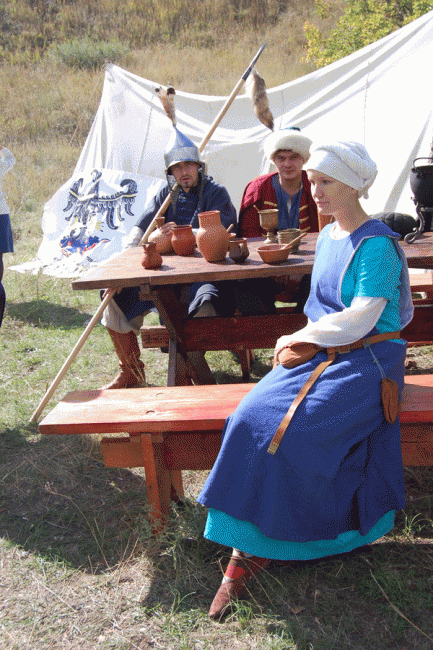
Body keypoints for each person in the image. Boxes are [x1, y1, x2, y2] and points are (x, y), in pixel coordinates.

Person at [197, 140, 414, 620]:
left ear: (354, 185)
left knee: (293, 432)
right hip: (323, 350)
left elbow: (362, 317)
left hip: (369, 359)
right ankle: (248, 539)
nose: (315, 191)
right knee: (248, 418)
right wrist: (307, 340)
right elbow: (325, 310)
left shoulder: (376, 244)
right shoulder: (330, 235)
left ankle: (303, 538)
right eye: (313, 181)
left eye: (326, 182)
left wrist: (299, 336)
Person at [101, 128, 237, 389]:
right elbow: (140, 230)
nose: (183, 172)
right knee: (114, 297)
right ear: (171, 172)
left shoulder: (216, 193)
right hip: (166, 276)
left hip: (204, 274)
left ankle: (191, 365)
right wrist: (124, 268)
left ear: (198, 166)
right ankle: (131, 371)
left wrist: (182, 235)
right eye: (177, 168)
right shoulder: (166, 194)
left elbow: (224, 231)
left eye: (188, 165)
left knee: (206, 301)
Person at [236, 127, 319, 315]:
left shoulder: (316, 186)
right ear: (273, 160)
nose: (287, 164)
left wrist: (301, 269)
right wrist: (271, 269)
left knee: (323, 281)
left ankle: (306, 327)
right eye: (281, 158)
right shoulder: (257, 189)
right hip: (264, 271)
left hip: (308, 271)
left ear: (304, 159)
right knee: (241, 287)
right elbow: (249, 237)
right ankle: (266, 327)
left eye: (294, 157)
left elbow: (326, 233)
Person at [0, 146, 15, 327]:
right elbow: (11, 159)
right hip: (1, 213)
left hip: (1, 212)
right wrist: (2, 148)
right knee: (0, 255)